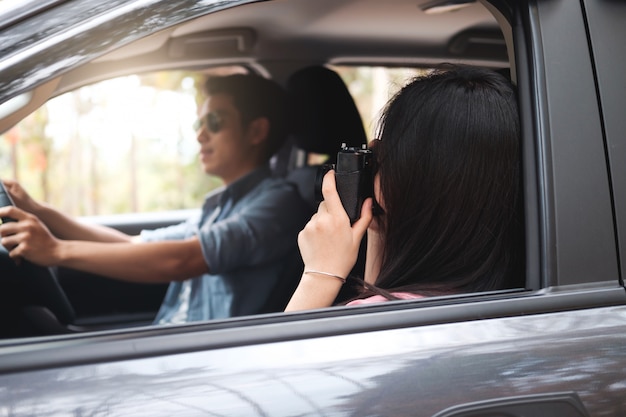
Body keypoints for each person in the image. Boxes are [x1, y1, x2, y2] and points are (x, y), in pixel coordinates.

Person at [0, 73, 309, 324]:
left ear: (256, 131)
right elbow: (133, 246)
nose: (200, 135)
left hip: (208, 361)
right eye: (198, 124)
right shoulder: (220, 206)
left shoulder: (278, 205)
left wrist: (57, 251)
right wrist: (37, 209)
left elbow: (182, 260)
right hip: (174, 344)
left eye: (214, 122)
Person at [286, 65, 525, 311]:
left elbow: (284, 350)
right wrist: (380, 225)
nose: (374, 167)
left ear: (417, 179)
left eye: (383, 158)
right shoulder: (505, 293)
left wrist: (320, 274)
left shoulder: (376, 320)